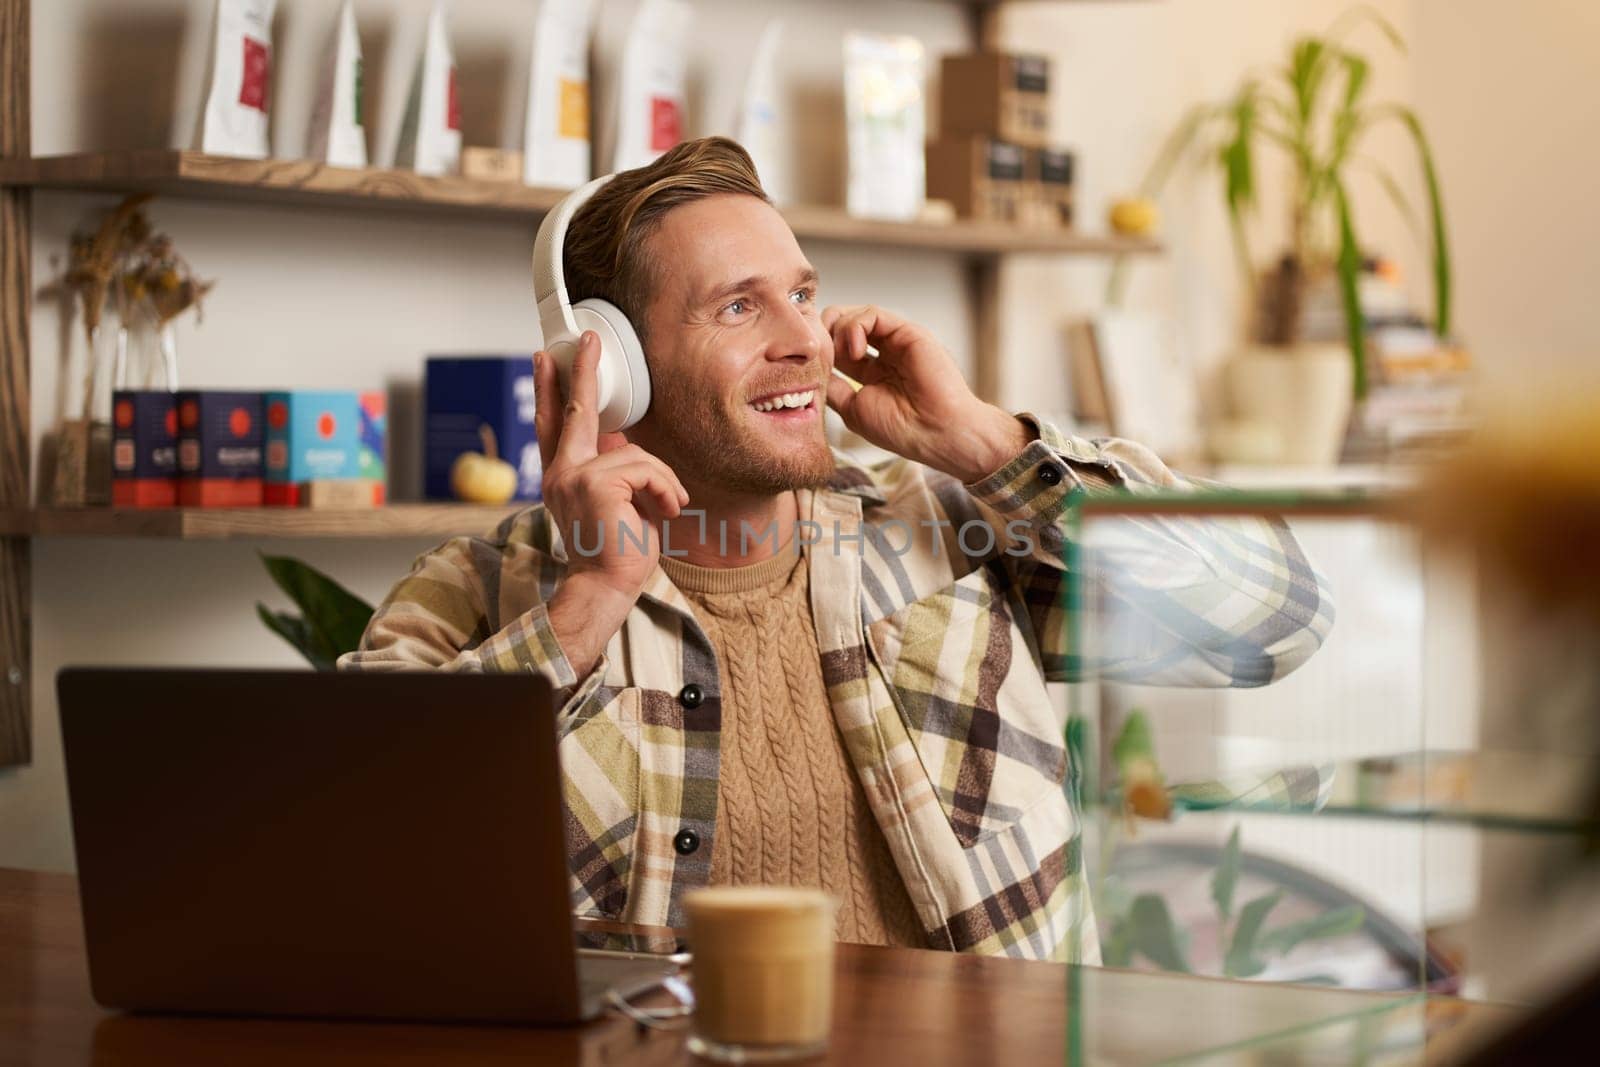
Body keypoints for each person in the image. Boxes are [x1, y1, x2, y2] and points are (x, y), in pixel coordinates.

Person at [340, 137, 1334, 962]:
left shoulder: (952, 533)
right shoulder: (486, 590)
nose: (806, 341)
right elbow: (351, 872)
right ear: (612, 373)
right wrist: (587, 604)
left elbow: (1275, 623)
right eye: (738, 306)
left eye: (802, 294)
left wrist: (989, 445)